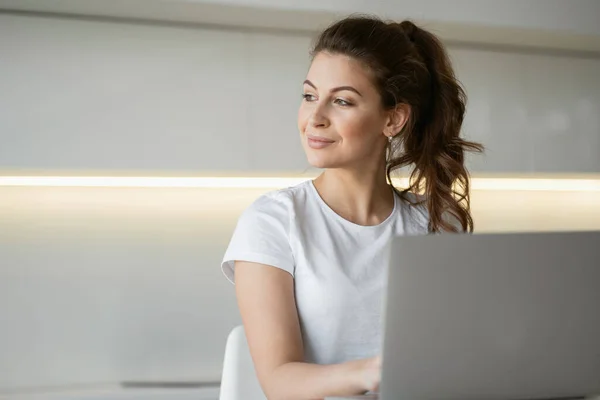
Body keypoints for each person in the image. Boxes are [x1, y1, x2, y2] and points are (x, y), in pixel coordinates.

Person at [221, 15, 483, 399]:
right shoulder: (274, 222)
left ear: (393, 119)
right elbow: (279, 381)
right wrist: (375, 372)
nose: (315, 118)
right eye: (309, 96)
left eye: (341, 101)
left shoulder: (434, 223)